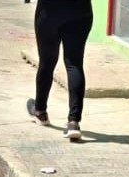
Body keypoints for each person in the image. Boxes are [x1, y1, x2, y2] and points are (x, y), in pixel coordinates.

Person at [26, 0, 93, 141]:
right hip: (80, 10)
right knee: (74, 64)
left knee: (47, 62)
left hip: (49, 11)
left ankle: (40, 111)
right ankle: (73, 122)